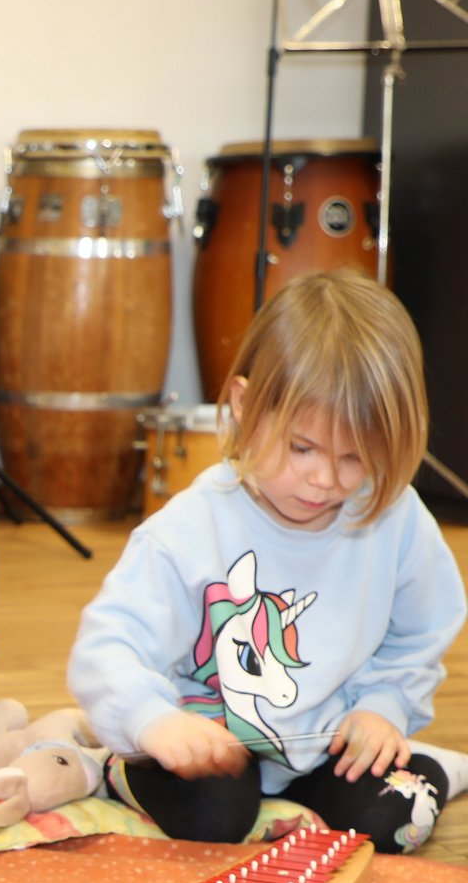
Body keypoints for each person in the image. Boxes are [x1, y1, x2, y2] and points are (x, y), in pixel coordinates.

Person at [69, 269, 467, 852]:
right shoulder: (190, 526)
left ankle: (426, 767)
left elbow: (420, 632)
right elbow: (108, 644)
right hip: (209, 747)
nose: (325, 479)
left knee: (393, 822)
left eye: (356, 458)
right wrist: (154, 723)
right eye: (301, 448)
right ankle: (111, 767)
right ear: (245, 406)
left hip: (325, 743)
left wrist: (385, 708)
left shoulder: (395, 517)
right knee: (213, 819)